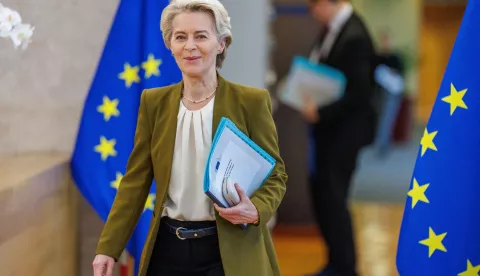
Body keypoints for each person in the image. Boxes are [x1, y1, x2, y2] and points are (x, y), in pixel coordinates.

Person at [91, 0, 288, 275]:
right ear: (170, 45)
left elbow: (276, 175)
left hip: (228, 249)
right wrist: (108, 248)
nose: (190, 46)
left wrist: (256, 209)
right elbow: (135, 182)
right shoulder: (154, 102)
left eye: (201, 36)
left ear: (221, 43)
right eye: (180, 37)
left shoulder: (251, 102)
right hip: (168, 249)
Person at [301, 0, 377, 275]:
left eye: (313, 5)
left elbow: (359, 93)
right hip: (329, 130)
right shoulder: (332, 29)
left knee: (334, 198)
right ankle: (336, 261)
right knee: (325, 195)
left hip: (345, 131)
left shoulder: (354, 34)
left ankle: (345, 267)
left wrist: (322, 112)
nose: (311, 11)